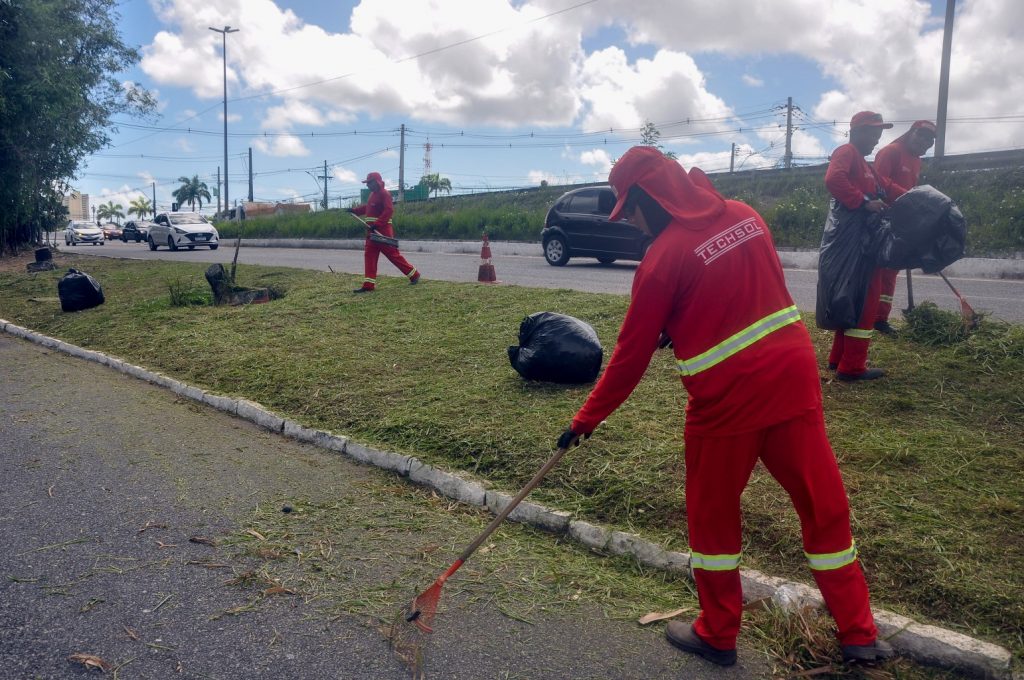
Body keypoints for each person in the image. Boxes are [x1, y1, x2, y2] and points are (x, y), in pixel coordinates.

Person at [557, 146, 893, 667]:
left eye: (632, 209)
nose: (632, 222)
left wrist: (585, 420)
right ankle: (859, 633)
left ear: (651, 197)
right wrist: (685, 319)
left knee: (712, 518)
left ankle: (717, 633)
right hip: (793, 383)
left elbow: (629, 357)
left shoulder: (661, 261)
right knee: (823, 508)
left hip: (725, 405)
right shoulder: (745, 215)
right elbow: (746, 291)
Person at [824, 111, 906, 381]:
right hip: (856, 245)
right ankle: (852, 367)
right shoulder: (846, 152)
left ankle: (838, 359)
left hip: (861, 243)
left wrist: (914, 198)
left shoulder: (866, 166)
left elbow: (887, 186)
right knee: (866, 301)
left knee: (851, 300)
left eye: (878, 135)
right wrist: (863, 202)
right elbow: (833, 179)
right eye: (872, 134)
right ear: (857, 132)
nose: (876, 140)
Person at [871, 120, 937, 334]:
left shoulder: (917, 161)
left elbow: (912, 190)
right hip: (881, 219)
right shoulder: (891, 152)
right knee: (877, 270)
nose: (924, 142)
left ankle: (880, 319)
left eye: (929, 140)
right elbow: (879, 182)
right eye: (921, 135)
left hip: (900, 220)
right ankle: (867, 316)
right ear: (911, 133)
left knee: (892, 269)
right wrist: (909, 197)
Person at [348, 172, 420, 293]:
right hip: (371, 232)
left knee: (393, 255)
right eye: (367, 183)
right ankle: (368, 285)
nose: (367, 185)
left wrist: (377, 224)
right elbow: (367, 208)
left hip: (382, 232)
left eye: (369, 183)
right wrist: (354, 210)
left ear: (377, 182)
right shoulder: (372, 195)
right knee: (369, 257)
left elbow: (389, 211)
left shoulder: (384, 194)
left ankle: (414, 274)